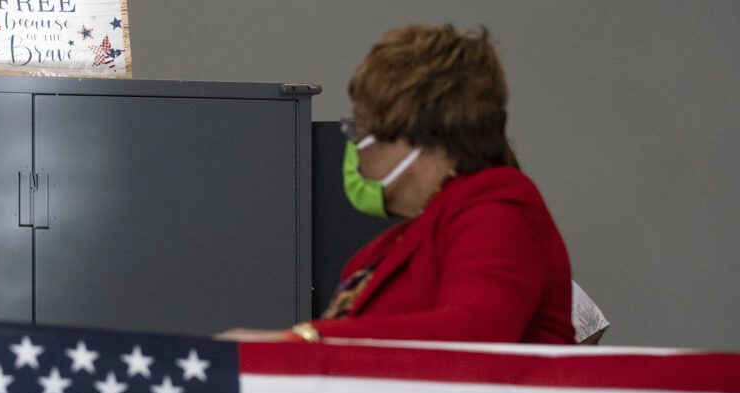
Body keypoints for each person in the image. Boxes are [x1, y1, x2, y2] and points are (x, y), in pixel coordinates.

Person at [227, 24, 574, 344]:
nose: (354, 143)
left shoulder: (497, 209)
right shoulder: (382, 250)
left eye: (361, 126)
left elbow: (473, 333)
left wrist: (301, 340)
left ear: (418, 132)